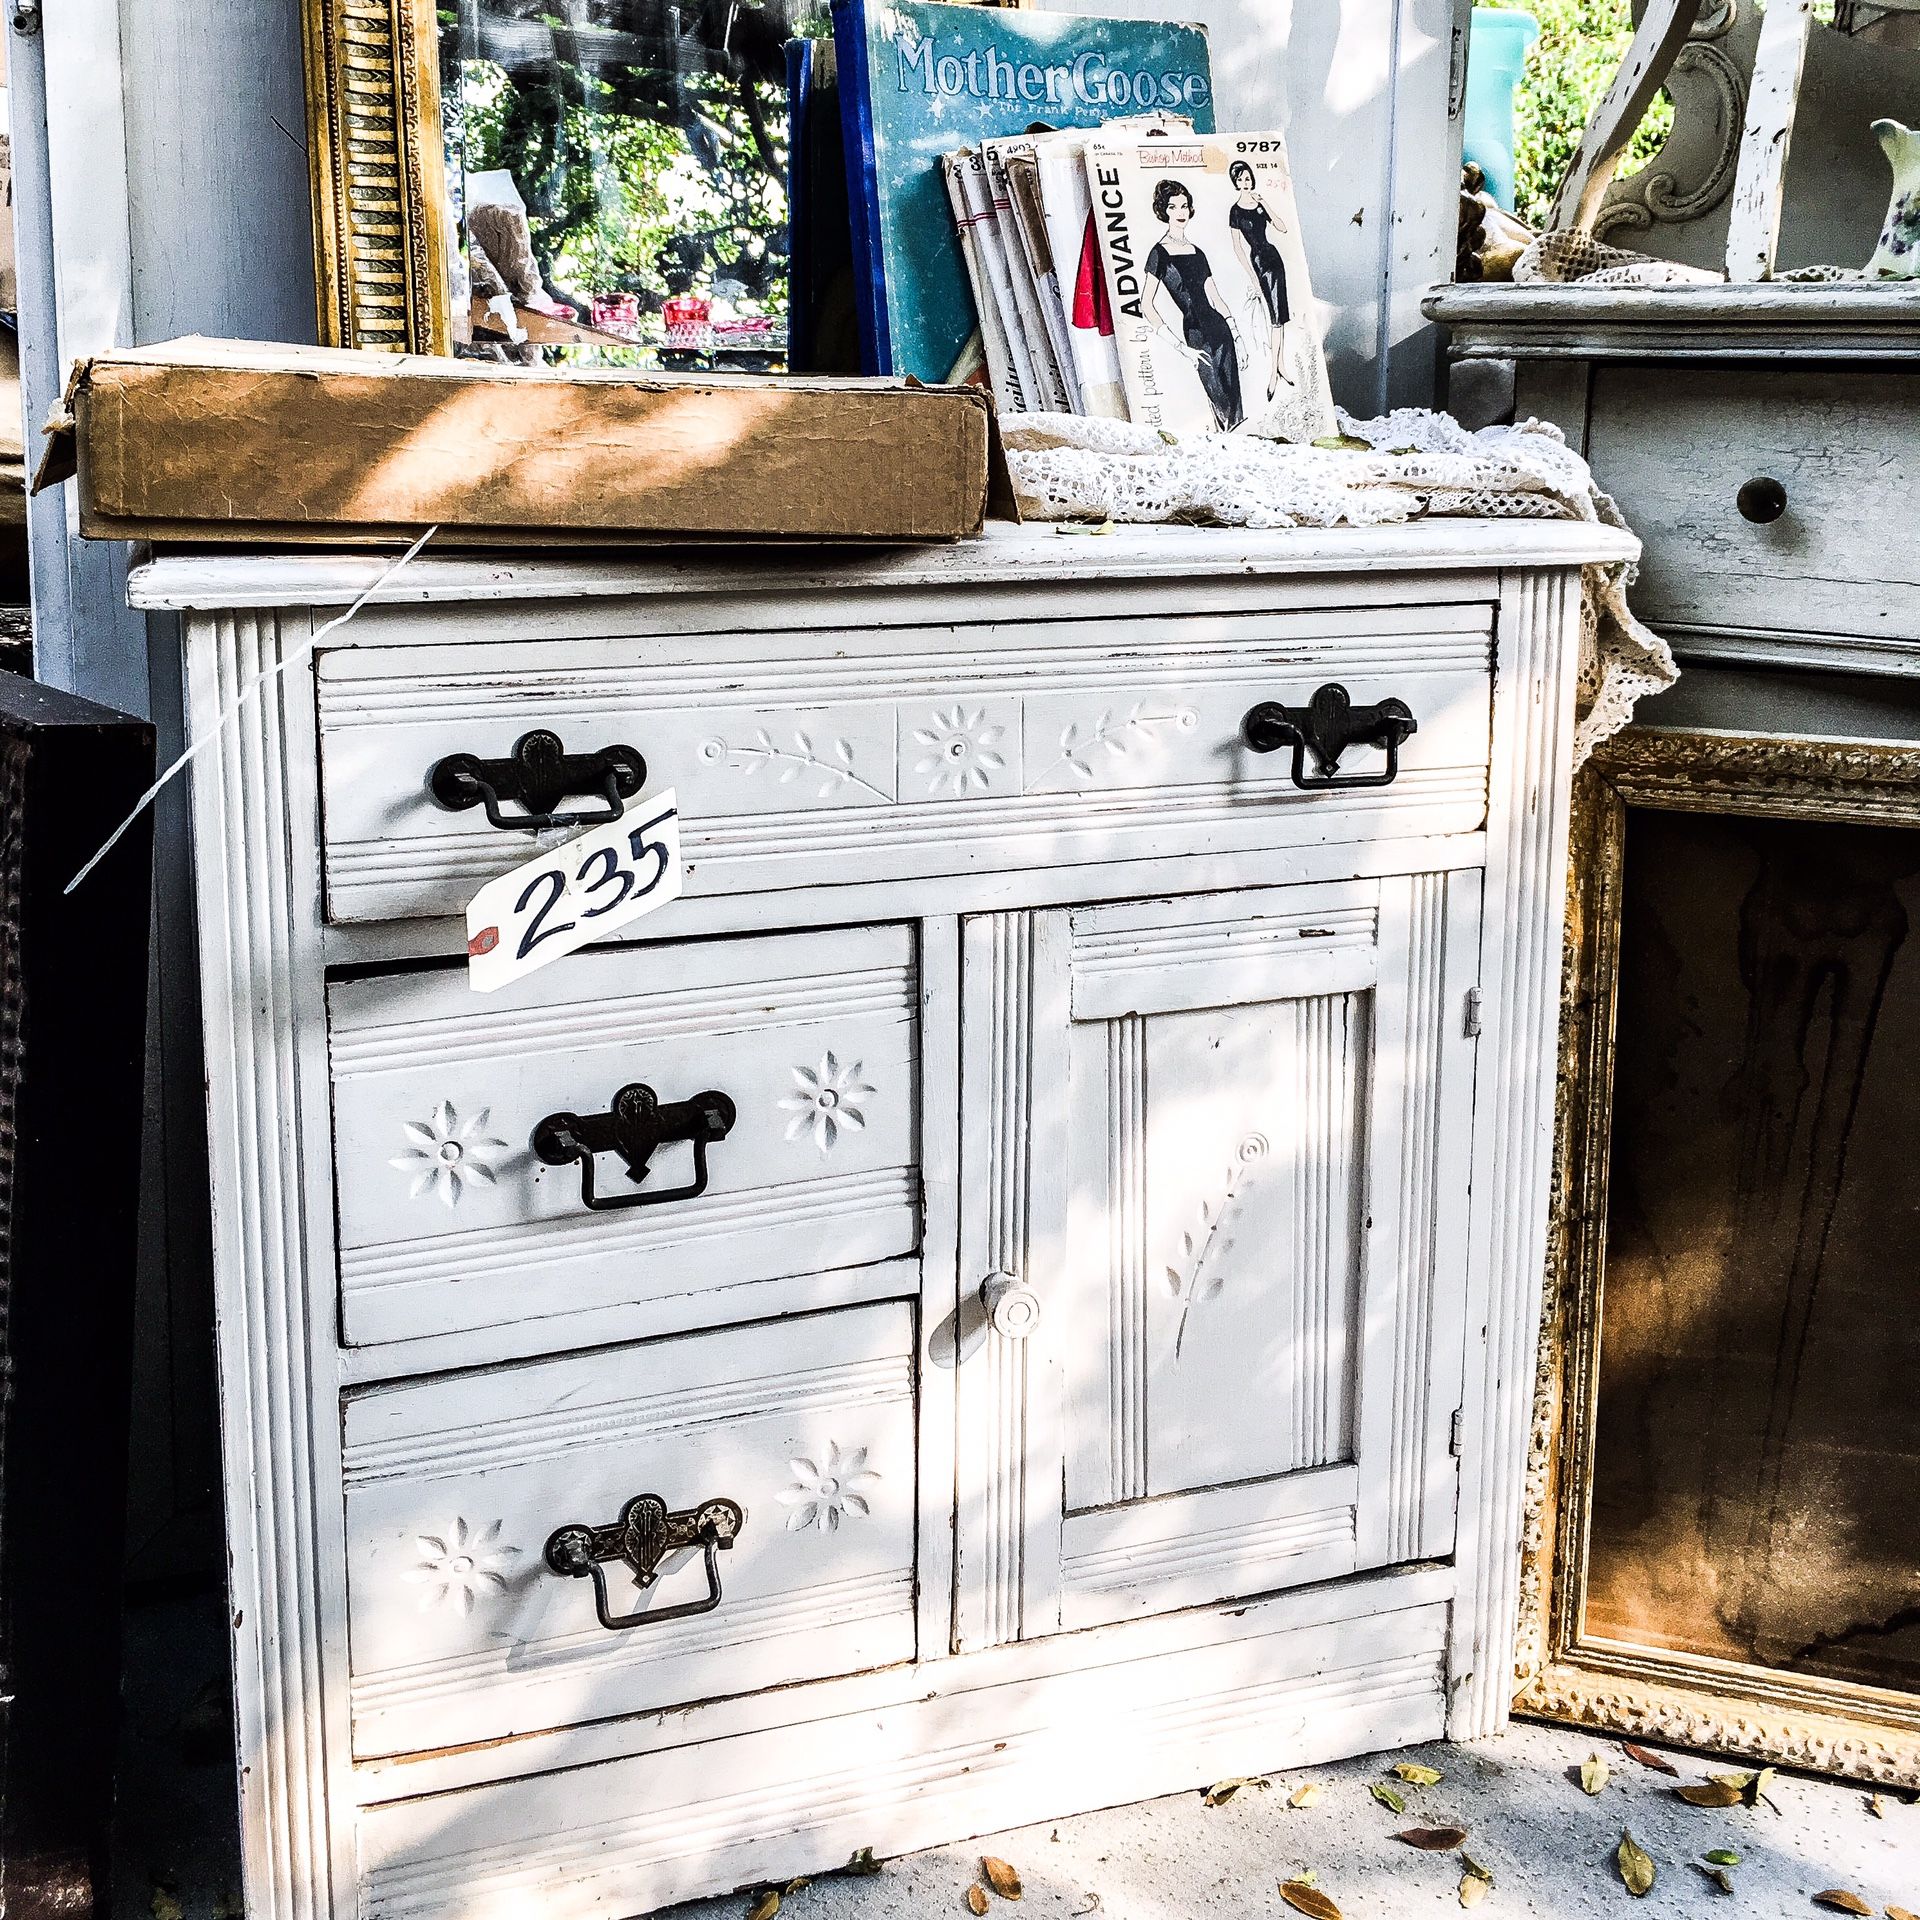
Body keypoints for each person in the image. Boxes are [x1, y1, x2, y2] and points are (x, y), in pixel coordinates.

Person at [1143, 178, 1245, 432]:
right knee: (1217, 399)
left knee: (1235, 406)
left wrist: (1238, 337)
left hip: (1221, 331)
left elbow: (1216, 298)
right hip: (1195, 335)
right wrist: (1181, 347)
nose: (1180, 212)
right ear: (1163, 210)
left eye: (1184, 206)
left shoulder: (1198, 252)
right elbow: (1146, 305)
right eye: (1173, 207)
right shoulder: (1158, 253)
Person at [1226, 159, 1297, 402]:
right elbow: (1237, 248)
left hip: (1274, 258)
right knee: (1273, 318)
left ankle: (1279, 367)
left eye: (1248, 178)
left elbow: (1282, 227)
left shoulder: (1259, 204)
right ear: (1235, 182)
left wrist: (1264, 202)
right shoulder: (1235, 211)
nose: (1245, 183)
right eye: (1241, 179)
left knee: (1280, 317)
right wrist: (1253, 277)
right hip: (1258, 261)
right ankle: (1274, 372)